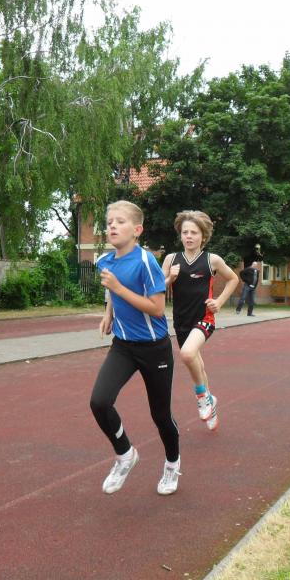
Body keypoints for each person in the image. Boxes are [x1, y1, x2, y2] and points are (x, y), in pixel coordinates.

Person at [90, 200, 181, 496]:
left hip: (155, 348)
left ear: (137, 230)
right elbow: (110, 291)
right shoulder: (105, 261)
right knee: (99, 402)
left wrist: (118, 288)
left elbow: (157, 308)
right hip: (123, 346)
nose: (112, 226)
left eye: (120, 221)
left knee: (161, 415)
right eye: (109, 222)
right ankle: (125, 454)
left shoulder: (146, 262)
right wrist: (108, 313)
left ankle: (172, 464)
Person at [162, 211, 239, 431]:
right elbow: (155, 289)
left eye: (193, 232)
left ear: (203, 236)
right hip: (181, 321)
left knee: (187, 354)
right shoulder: (170, 259)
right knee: (198, 364)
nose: (188, 236)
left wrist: (219, 302)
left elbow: (233, 278)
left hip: (204, 318)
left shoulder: (212, 260)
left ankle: (202, 396)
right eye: (185, 232)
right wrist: (170, 278)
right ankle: (211, 402)